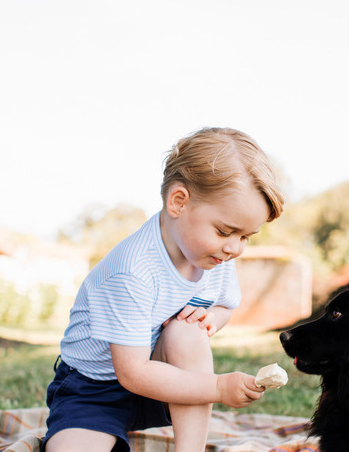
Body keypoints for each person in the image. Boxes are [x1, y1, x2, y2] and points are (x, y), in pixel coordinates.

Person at [43, 127, 285, 452]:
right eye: (225, 231)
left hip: (164, 384)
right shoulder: (132, 271)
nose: (235, 248)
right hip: (95, 389)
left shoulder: (215, 258)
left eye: (245, 237)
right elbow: (132, 373)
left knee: (187, 332)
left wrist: (211, 318)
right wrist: (216, 387)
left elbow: (226, 306)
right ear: (179, 202)